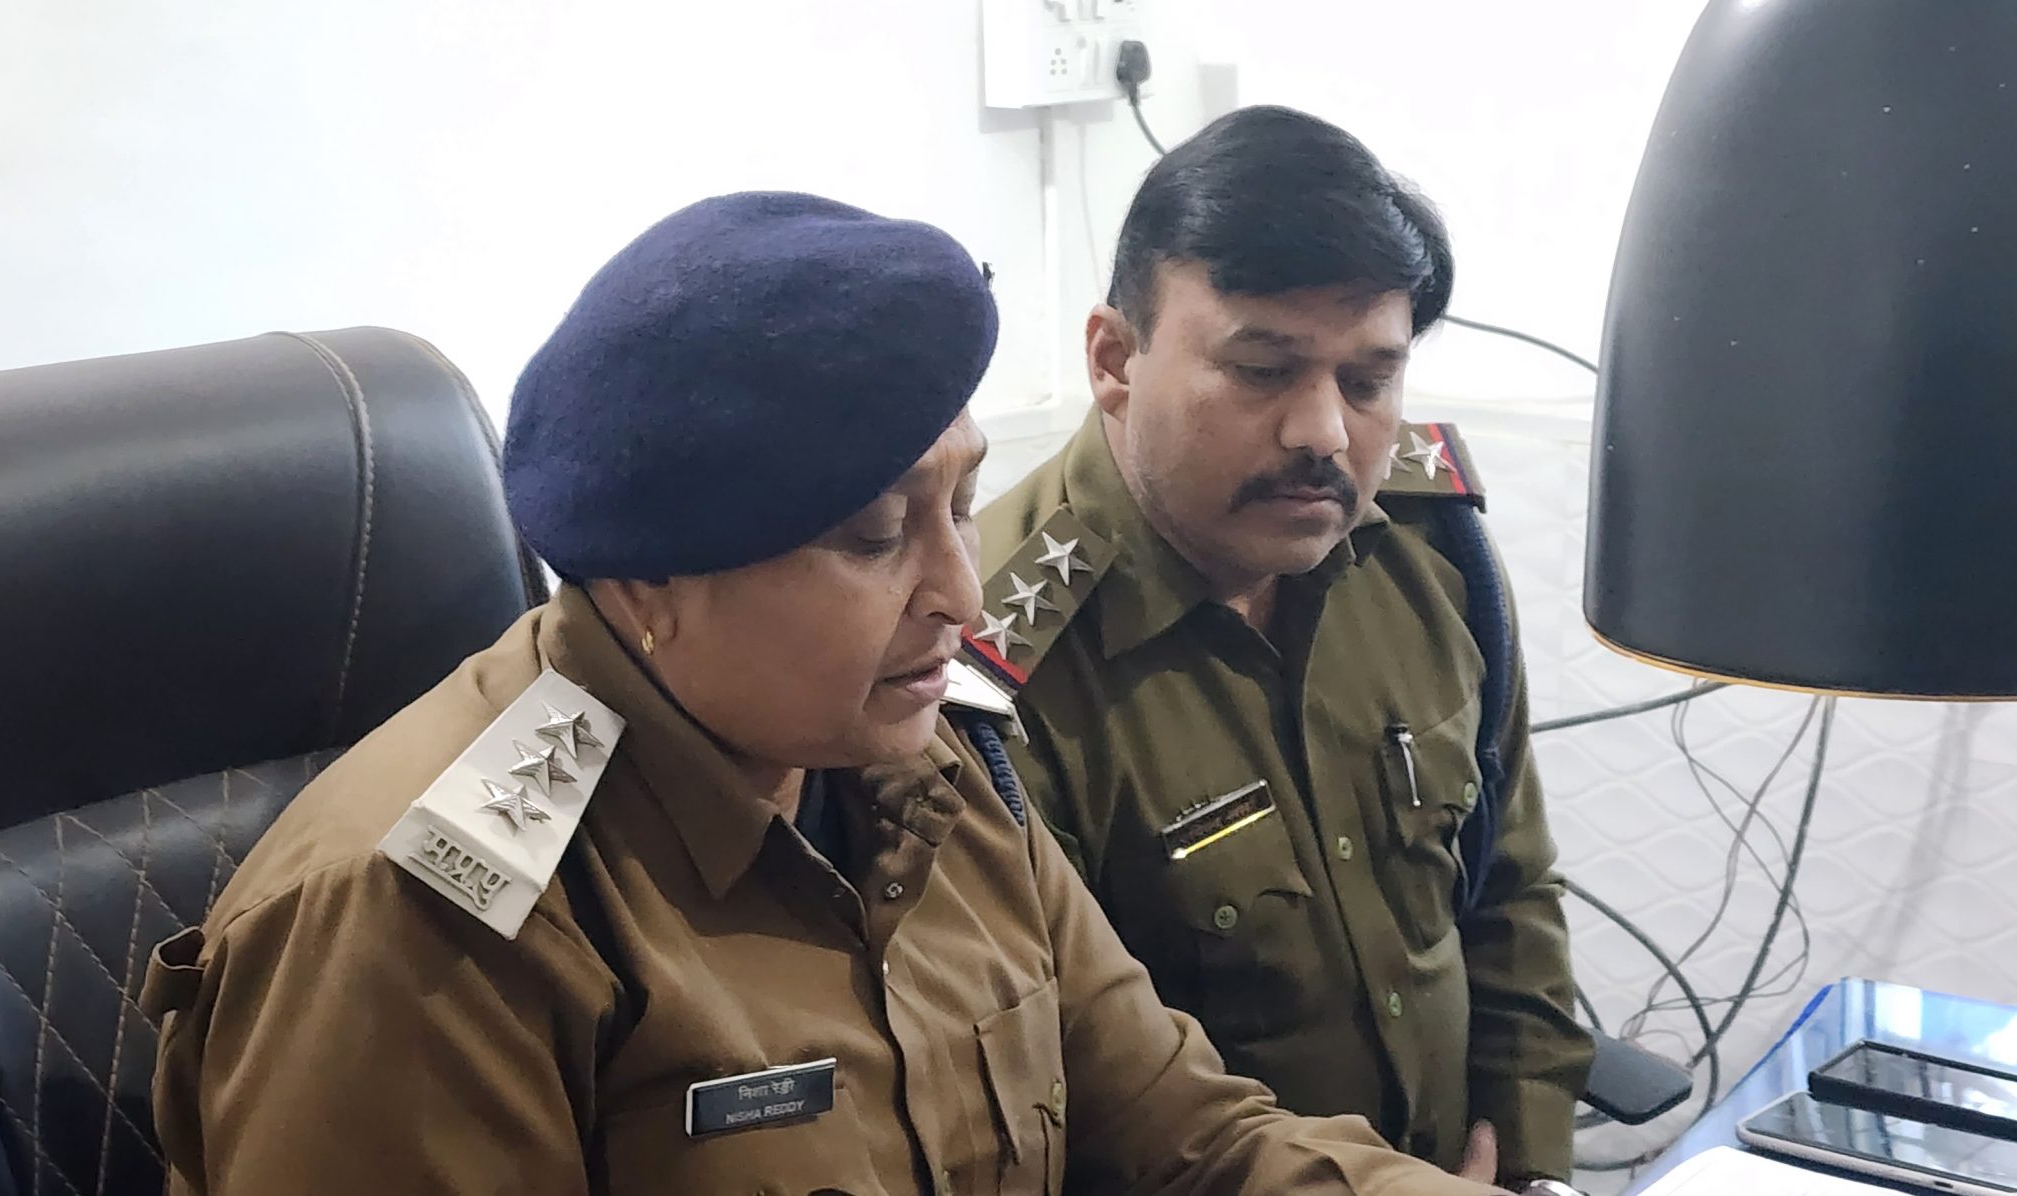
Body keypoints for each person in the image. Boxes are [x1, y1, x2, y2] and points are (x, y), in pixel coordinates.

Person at [140, 191, 1516, 1194]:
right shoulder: (429, 914)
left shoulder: (933, 765)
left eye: (962, 505)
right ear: (652, 579)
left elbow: (1193, 1140)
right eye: (871, 538)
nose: (962, 596)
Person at [964, 106, 1593, 1189]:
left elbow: (1509, 893)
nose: (1324, 433)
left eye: (1368, 380)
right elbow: (1069, 1083)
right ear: (1114, 358)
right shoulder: (986, 662)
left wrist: (1531, 1166)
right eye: (1262, 370)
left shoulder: (1434, 555)